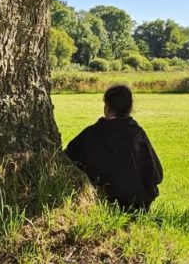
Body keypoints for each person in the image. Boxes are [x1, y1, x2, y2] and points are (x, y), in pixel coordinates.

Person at [64, 84, 163, 212]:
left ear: (107, 107)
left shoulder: (92, 133)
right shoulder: (136, 134)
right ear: (129, 108)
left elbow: (69, 157)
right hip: (138, 206)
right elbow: (156, 174)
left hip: (101, 203)